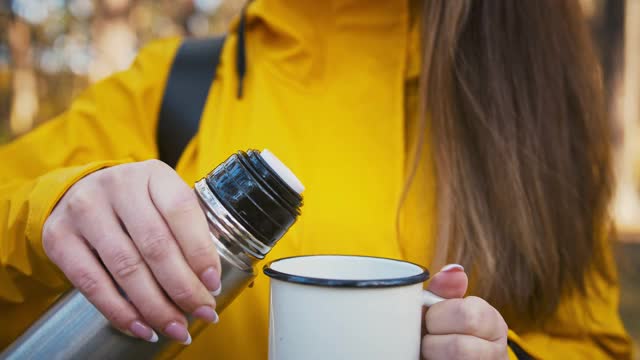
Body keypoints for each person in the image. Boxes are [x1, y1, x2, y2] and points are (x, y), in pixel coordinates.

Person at [0, 0, 633, 359]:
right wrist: (50, 214)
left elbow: (593, 343)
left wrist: (502, 355)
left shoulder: (536, 118)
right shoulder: (169, 86)